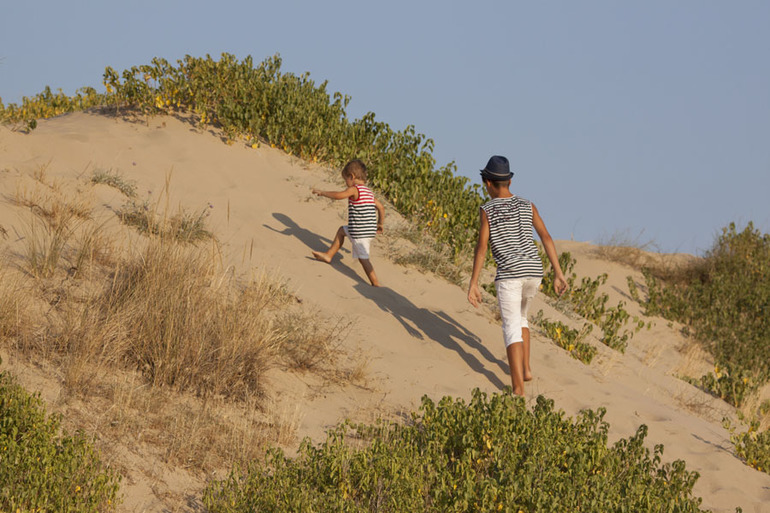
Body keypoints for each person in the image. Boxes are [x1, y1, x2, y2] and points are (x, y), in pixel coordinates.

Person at [467, 155, 568, 396]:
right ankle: (526, 369)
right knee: (522, 318)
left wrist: (473, 282)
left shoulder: (488, 209)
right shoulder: (527, 204)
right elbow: (546, 237)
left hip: (510, 274)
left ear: (488, 183)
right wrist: (558, 273)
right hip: (534, 272)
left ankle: (518, 389)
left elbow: (482, 247)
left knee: (511, 327)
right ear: (509, 182)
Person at [311, 159, 385, 287]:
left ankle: (375, 283)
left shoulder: (354, 189)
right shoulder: (369, 192)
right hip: (367, 229)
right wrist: (380, 224)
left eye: (346, 179)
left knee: (363, 258)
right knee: (341, 231)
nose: (346, 183)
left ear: (352, 177)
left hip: (359, 232)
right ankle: (328, 255)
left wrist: (323, 193)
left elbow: (339, 195)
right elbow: (381, 208)